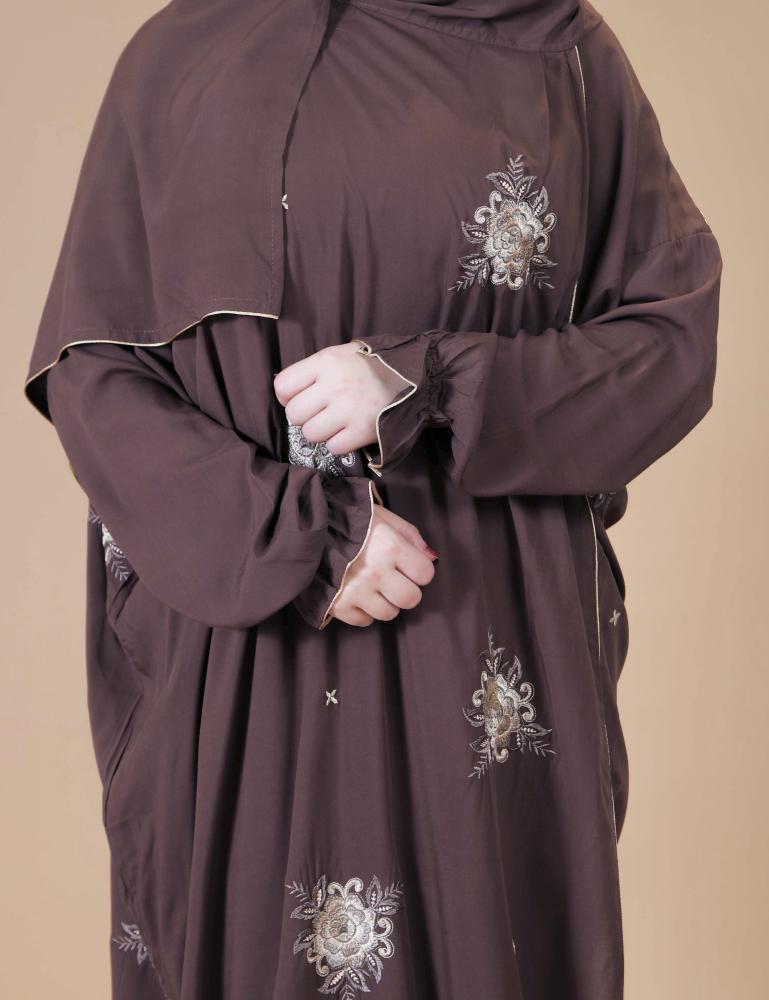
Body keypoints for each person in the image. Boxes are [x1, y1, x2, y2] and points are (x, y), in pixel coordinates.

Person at [24, 1, 721, 998]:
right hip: (253, 656)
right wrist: (301, 539)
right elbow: (96, 375)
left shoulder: (559, 51)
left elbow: (666, 346)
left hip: (482, 633)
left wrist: (433, 377)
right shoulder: (181, 56)